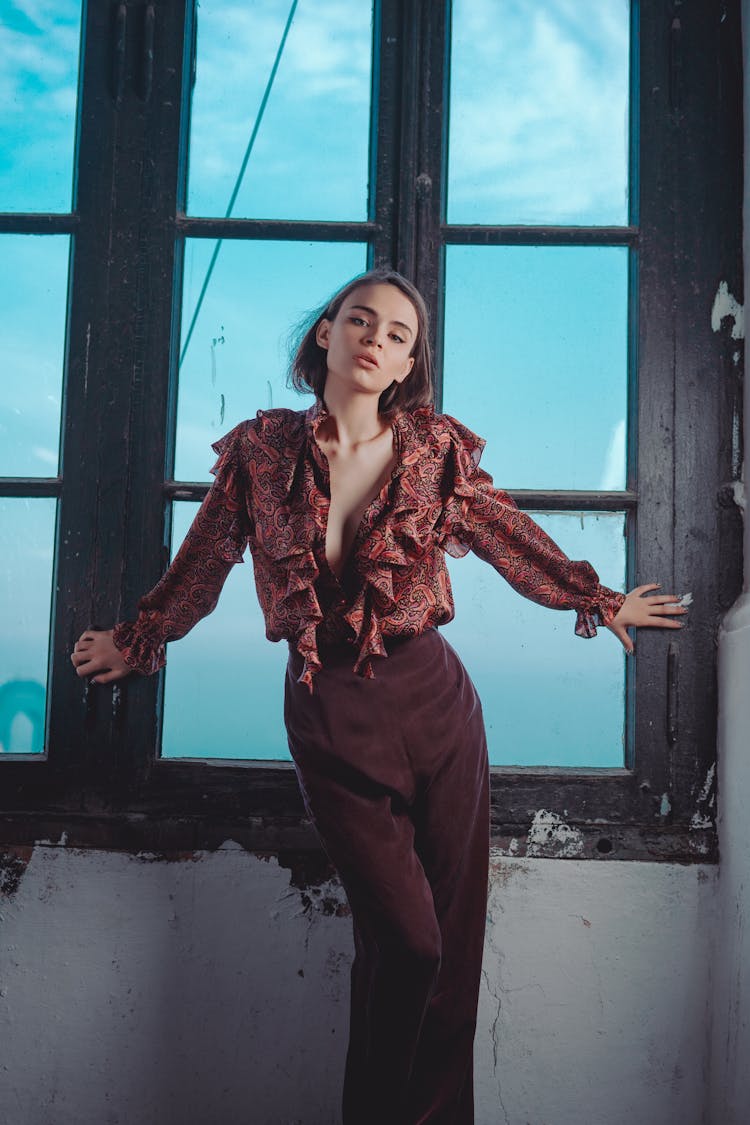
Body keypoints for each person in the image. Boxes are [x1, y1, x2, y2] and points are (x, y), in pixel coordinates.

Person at [70, 268, 687, 1125]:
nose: (376, 339)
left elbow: (506, 535)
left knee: (452, 960)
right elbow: (204, 560)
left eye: (399, 334)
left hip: (435, 703)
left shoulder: (433, 451)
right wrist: (138, 641)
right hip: (330, 712)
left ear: (406, 366)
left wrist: (596, 598)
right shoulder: (261, 449)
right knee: (406, 943)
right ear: (326, 333)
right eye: (360, 320)